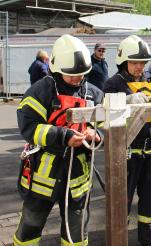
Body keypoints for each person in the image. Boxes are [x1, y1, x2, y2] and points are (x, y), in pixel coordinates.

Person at [14, 34, 103, 245]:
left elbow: (105, 127)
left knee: (76, 232)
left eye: (82, 74)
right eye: (71, 74)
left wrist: (96, 135)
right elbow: (29, 127)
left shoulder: (93, 94)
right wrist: (64, 136)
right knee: (30, 226)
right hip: (43, 175)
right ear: (56, 68)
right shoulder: (41, 91)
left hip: (77, 177)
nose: (77, 79)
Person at [103, 35, 151, 246]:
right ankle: (120, 240)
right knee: (122, 202)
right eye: (135, 62)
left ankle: (149, 241)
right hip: (128, 154)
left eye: (143, 62)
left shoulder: (150, 76)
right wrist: (127, 101)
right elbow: (106, 112)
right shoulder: (113, 83)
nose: (140, 67)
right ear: (123, 61)